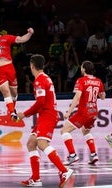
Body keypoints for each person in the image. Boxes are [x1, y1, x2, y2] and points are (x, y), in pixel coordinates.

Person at [17, 54, 73, 187]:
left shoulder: (39, 80)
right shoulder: (45, 78)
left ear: (32, 66)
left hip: (48, 115)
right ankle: (36, 179)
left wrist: (24, 114)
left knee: (41, 143)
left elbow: (40, 102)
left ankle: (64, 170)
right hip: (46, 114)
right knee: (31, 143)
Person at [0, 19, 34, 121]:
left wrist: (30, 33)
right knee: (6, 91)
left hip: (9, 68)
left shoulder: (6, 38)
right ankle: (12, 113)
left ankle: (12, 108)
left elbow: (21, 39)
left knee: (14, 93)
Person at [60, 61, 106, 165]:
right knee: (86, 132)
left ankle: (72, 155)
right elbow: (103, 97)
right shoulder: (98, 81)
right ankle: (94, 154)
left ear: (84, 69)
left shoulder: (81, 80)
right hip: (93, 112)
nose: (81, 69)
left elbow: (77, 96)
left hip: (83, 112)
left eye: (81, 67)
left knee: (64, 131)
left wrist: (69, 112)